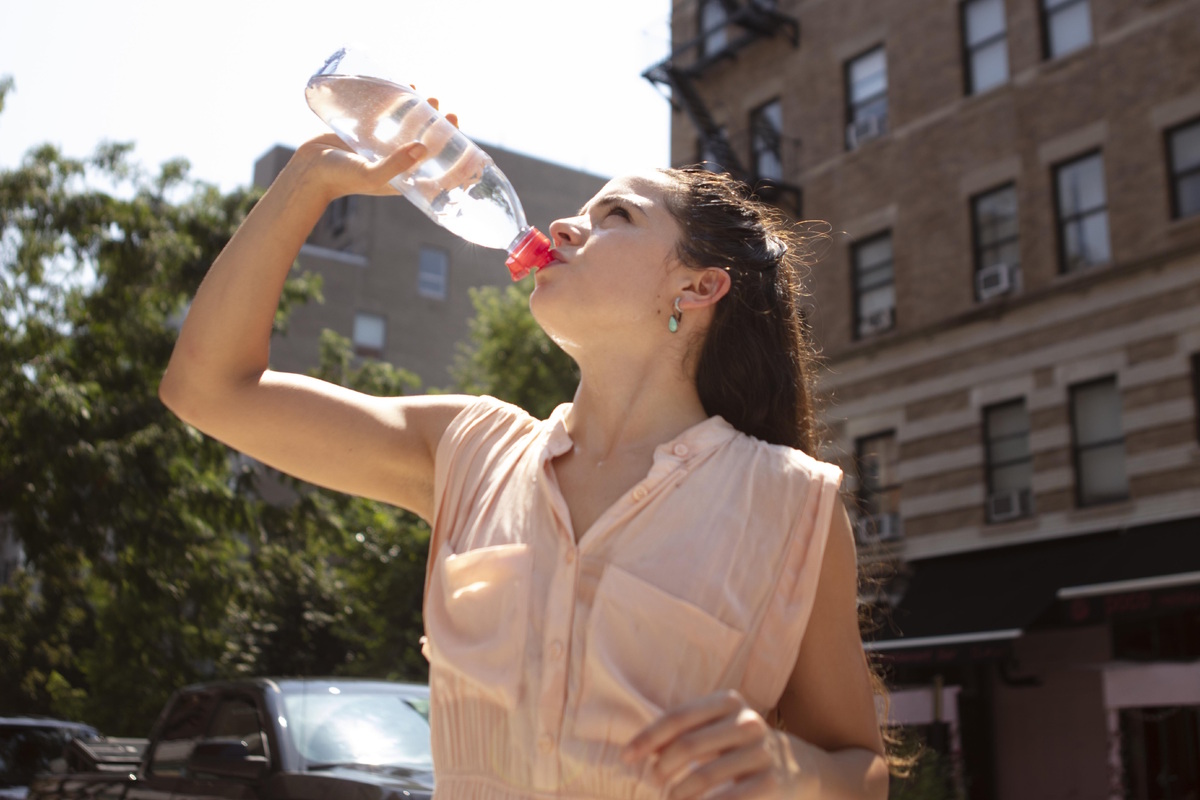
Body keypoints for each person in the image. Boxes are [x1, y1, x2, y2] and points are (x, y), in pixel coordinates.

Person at [159, 122, 891, 798]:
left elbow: (863, 771)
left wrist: (788, 769)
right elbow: (207, 387)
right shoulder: (468, 451)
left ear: (698, 287)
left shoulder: (791, 503)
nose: (565, 226)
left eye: (617, 216)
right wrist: (309, 178)